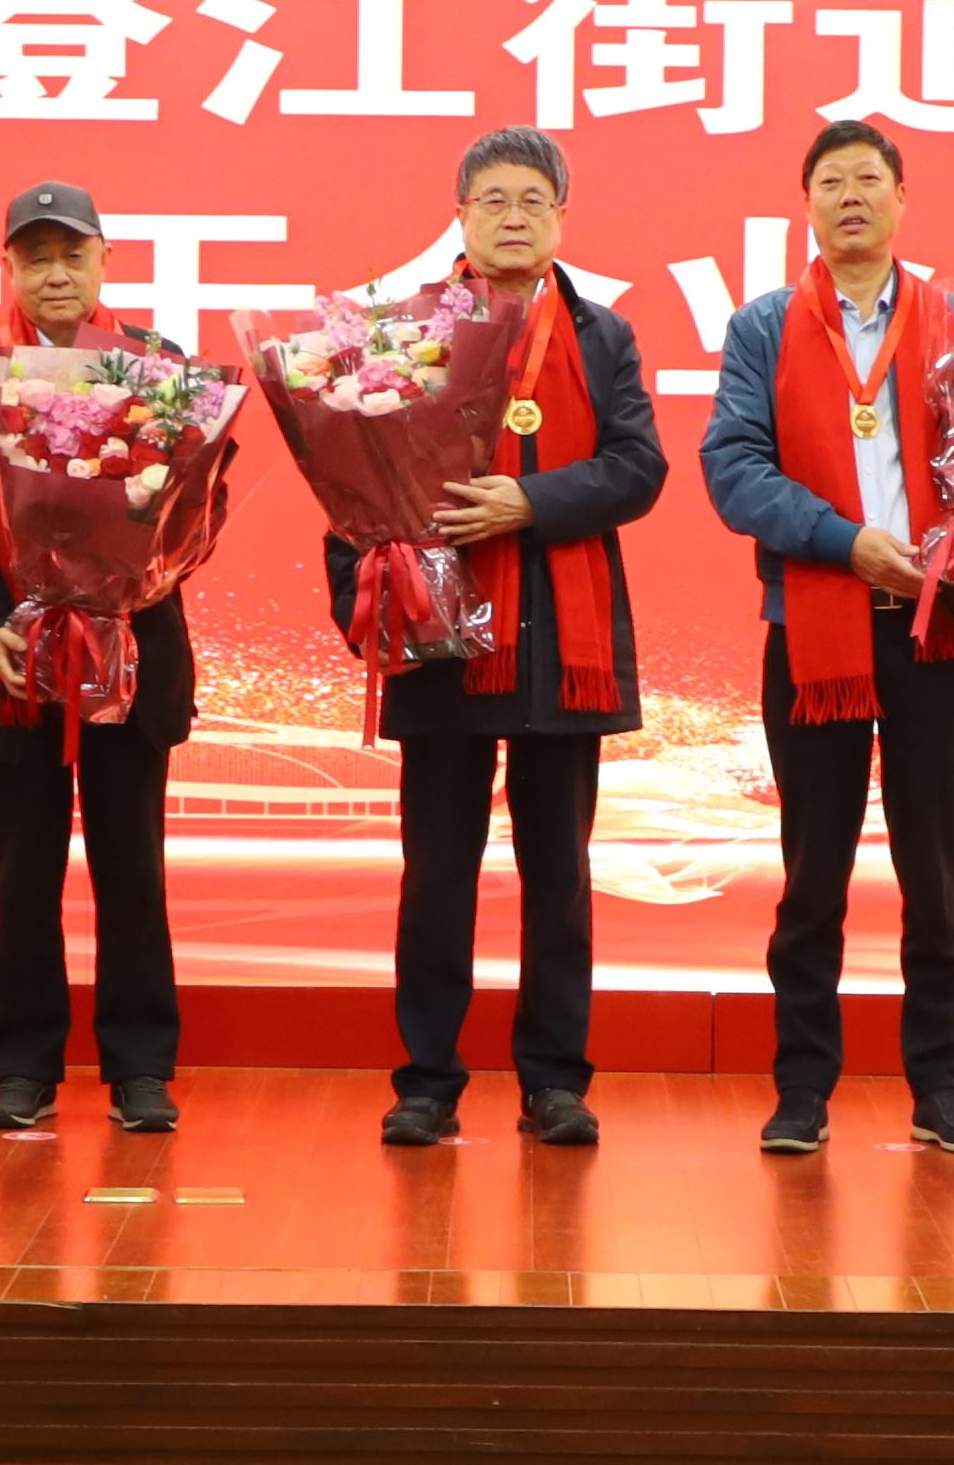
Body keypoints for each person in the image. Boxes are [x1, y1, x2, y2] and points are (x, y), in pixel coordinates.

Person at [699, 118, 954, 1158]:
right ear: (807, 205)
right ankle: (801, 1088)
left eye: (867, 179)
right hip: (813, 631)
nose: (849, 197)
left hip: (934, 634)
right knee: (810, 873)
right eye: (829, 181)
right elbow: (733, 469)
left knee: (933, 868)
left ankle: (940, 1086)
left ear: (900, 198)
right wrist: (846, 542)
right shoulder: (762, 328)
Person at [326, 126, 668, 1149]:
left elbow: (637, 468)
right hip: (443, 634)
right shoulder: (404, 332)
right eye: (493, 200)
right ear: (460, 216)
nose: (513, 217)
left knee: (558, 876)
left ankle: (553, 1081)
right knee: (437, 873)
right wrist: (361, 603)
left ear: (560, 216)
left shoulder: (601, 335)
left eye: (532, 200)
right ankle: (427, 1081)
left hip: (561, 636)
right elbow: (350, 476)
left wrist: (530, 501)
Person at [0, 183, 221, 1134]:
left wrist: (140, 577)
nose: (55, 272)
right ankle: (22, 1066)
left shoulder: (159, 365)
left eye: (71, 253)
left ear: (103, 261)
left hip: (131, 651)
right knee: (22, 870)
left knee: (133, 866)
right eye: (35, 256)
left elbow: (197, 503)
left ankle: (140, 1067)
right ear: (9, 267)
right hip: (11, 659)